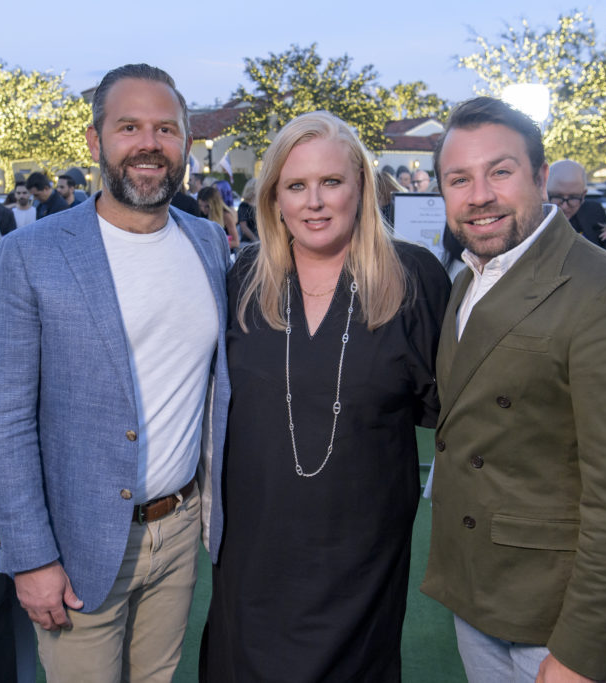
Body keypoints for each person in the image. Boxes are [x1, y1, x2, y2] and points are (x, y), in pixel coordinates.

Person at [0, 63, 230, 683]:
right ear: (95, 141)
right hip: (78, 545)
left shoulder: (207, 242)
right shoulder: (31, 252)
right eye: (129, 127)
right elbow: (1, 419)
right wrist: (30, 557)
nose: (149, 143)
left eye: (166, 128)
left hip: (178, 531)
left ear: (186, 146)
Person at [420, 96, 606, 683]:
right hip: (482, 595)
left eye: (500, 171)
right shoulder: (469, 278)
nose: (479, 194)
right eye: (459, 178)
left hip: (554, 619)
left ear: (539, 178)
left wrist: (581, 651)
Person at [201, 111, 450, 682]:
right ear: (274, 199)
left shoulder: (413, 278)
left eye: (331, 182)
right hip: (254, 548)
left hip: (362, 551)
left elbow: (443, 408)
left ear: (360, 187)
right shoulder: (242, 279)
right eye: (296, 185)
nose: (314, 202)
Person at [547, 159, 606, 256]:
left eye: (573, 198)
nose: (564, 206)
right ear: (544, 192)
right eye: (556, 196)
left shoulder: (594, 212)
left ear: (584, 195)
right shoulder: (531, 217)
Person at [197, 185, 239, 250]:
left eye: (207, 206)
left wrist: (214, 244)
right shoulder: (200, 214)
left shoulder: (226, 216)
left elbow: (236, 242)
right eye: (200, 206)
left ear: (214, 205)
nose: (203, 209)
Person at [236, 177, 258, 242]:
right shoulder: (244, 206)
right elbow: (244, 227)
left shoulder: (259, 205)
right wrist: (255, 239)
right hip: (249, 242)